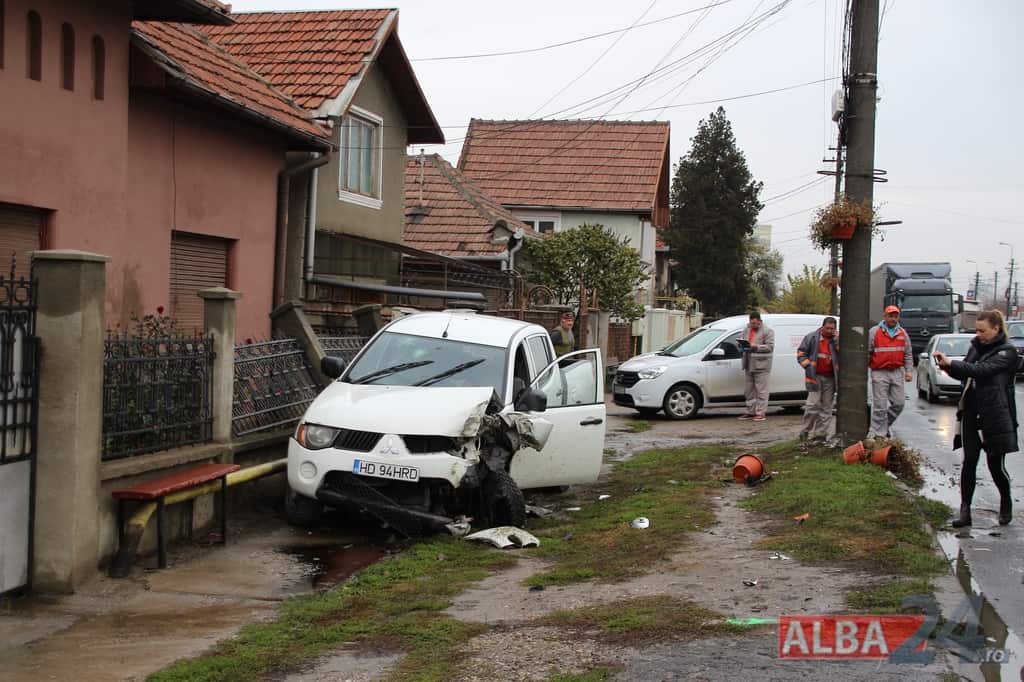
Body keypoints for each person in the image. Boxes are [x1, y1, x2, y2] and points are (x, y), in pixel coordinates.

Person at [935, 309, 1017, 527]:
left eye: (983, 331)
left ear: (996, 329)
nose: (979, 335)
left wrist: (953, 363)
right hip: (971, 411)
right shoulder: (975, 347)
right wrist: (947, 367)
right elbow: (966, 372)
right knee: (969, 462)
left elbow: (981, 371)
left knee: (995, 465)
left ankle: (1006, 501)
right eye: (977, 330)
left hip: (994, 415)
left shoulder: (1007, 352)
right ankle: (965, 510)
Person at [867, 305, 913, 438]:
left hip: (897, 372)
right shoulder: (874, 332)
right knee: (880, 406)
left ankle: (884, 426)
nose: (893, 319)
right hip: (879, 371)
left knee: (899, 403)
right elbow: (867, 351)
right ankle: (877, 435)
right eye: (890, 316)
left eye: (895, 316)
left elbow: (908, 354)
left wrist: (909, 371)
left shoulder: (902, 333)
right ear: (885, 316)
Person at [796, 316, 839, 441]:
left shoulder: (836, 340)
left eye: (832, 329)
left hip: (830, 378)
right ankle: (805, 430)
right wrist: (808, 367)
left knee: (827, 407)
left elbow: (843, 354)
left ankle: (820, 434)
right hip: (815, 376)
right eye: (827, 328)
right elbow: (801, 354)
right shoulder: (812, 338)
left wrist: (837, 341)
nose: (829, 331)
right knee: (813, 405)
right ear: (822, 327)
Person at [739, 312, 774, 422]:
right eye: (751, 323)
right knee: (749, 390)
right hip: (748, 363)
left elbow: (770, 347)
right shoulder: (746, 329)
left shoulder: (768, 331)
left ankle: (760, 413)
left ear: (760, 321)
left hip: (761, 365)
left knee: (761, 390)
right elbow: (742, 338)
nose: (753, 325)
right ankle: (750, 411)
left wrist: (756, 346)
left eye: (755, 323)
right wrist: (740, 343)